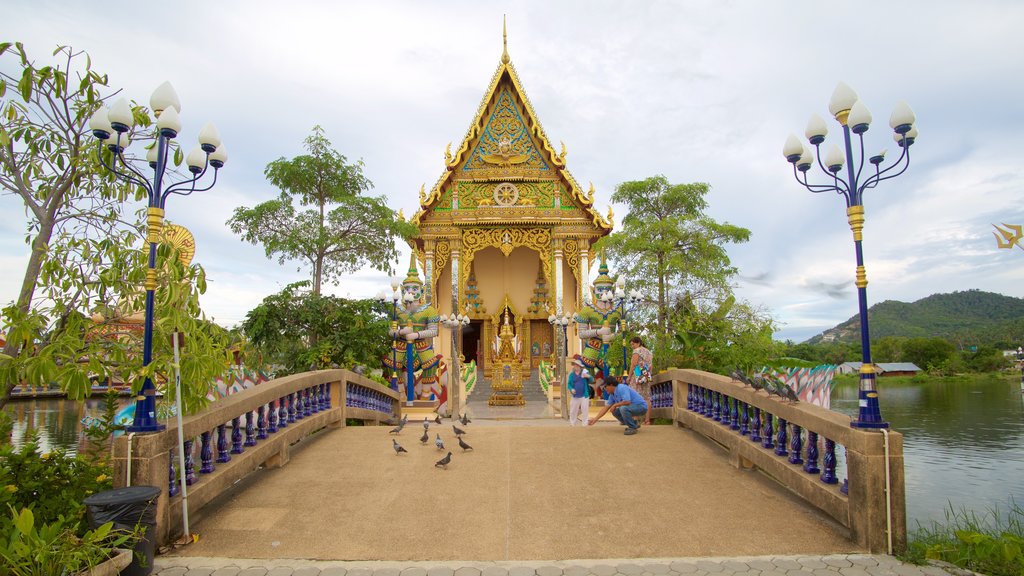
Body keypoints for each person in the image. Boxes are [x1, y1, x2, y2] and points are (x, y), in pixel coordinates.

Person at [627, 336, 654, 425]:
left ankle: (635, 419)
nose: (632, 346)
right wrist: (648, 375)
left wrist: (629, 376)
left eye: (633, 344)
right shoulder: (649, 352)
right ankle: (647, 420)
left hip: (637, 376)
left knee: (634, 397)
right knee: (647, 398)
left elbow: (634, 364)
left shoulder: (637, 351)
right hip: (646, 376)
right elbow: (650, 366)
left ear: (638, 343)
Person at [567, 356, 593, 427]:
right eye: (575, 365)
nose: (576, 367)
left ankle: (584, 424)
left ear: (580, 366)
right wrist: (571, 389)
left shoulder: (584, 372)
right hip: (575, 395)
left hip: (584, 395)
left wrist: (588, 376)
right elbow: (569, 384)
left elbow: (592, 380)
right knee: (573, 410)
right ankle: (572, 423)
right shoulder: (571, 374)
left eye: (577, 365)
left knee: (585, 410)